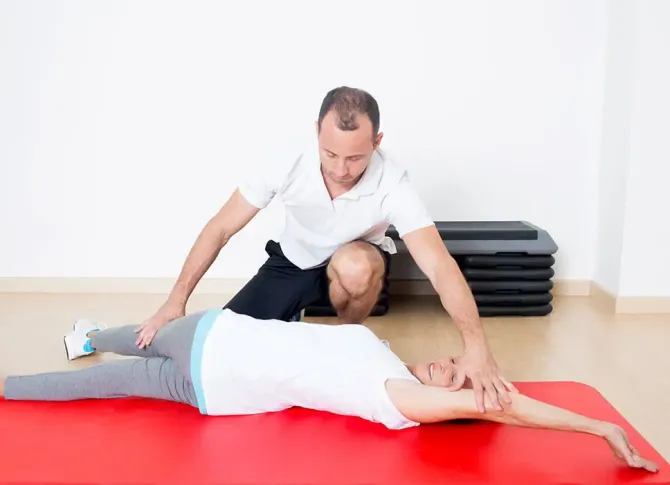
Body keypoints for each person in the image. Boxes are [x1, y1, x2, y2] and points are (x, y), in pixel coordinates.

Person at [133, 85, 512, 413]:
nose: (342, 169)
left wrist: (476, 346)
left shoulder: (394, 183)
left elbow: (439, 265)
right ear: (316, 132)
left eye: (355, 158)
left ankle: (348, 339)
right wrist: (175, 301)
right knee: (227, 346)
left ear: (377, 142)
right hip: (293, 261)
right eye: (331, 154)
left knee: (354, 265)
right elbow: (220, 228)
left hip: (355, 261)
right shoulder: (286, 159)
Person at [0, 310, 658, 473]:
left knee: (89, 389)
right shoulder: (380, 349)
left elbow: (504, 403)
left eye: (458, 379)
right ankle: (89, 332)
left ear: (450, 405)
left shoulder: (395, 396)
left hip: (205, 381)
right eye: (458, 361)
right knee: (133, 331)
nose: (450, 366)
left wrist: (598, 429)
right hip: (214, 325)